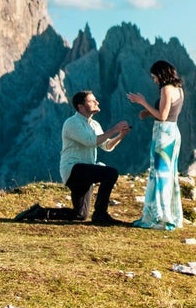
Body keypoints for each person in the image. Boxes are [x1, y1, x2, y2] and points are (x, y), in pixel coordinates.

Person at [15, 90, 130, 225]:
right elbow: (90, 141)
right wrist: (114, 129)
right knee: (110, 173)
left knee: (80, 215)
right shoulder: (72, 123)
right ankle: (100, 214)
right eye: (92, 101)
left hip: (85, 172)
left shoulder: (94, 125)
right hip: (74, 169)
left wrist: (120, 135)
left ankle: (39, 212)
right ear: (81, 107)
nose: (97, 102)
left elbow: (106, 146)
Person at [127, 60, 184, 230]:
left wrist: (142, 102)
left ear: (161, 75)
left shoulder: (166, 89)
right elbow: (170, 113)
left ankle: (160, 216)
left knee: (159, 174)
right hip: (173, 133)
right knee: (169, 174)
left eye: (154, 77)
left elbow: (163, 116)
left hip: (163, 135)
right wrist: (148, 112)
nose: (154, 81)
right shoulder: (179, 89)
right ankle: (169, 214)